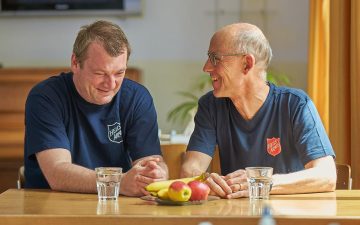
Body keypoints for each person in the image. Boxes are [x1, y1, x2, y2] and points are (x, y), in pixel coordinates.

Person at [180, 23, 337, 199]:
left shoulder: (296, 105)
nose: (207, 67)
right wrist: (206, 180)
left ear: (247, 64)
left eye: (215, 58)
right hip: (236, 216)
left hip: (290, 216)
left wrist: (262, 182)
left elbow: (327, 176)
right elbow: (189, 169)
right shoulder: (210, 106)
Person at [24, 20, 168, 196]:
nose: (111, 84)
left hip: (116, 206)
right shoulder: (45, 98)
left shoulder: (137, 98)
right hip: (51, 207)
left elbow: (150, 162)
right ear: (75, 63)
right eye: (100, 73)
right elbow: (57, 173)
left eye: (119, 73)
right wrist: (117, 183)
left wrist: (156, 174)